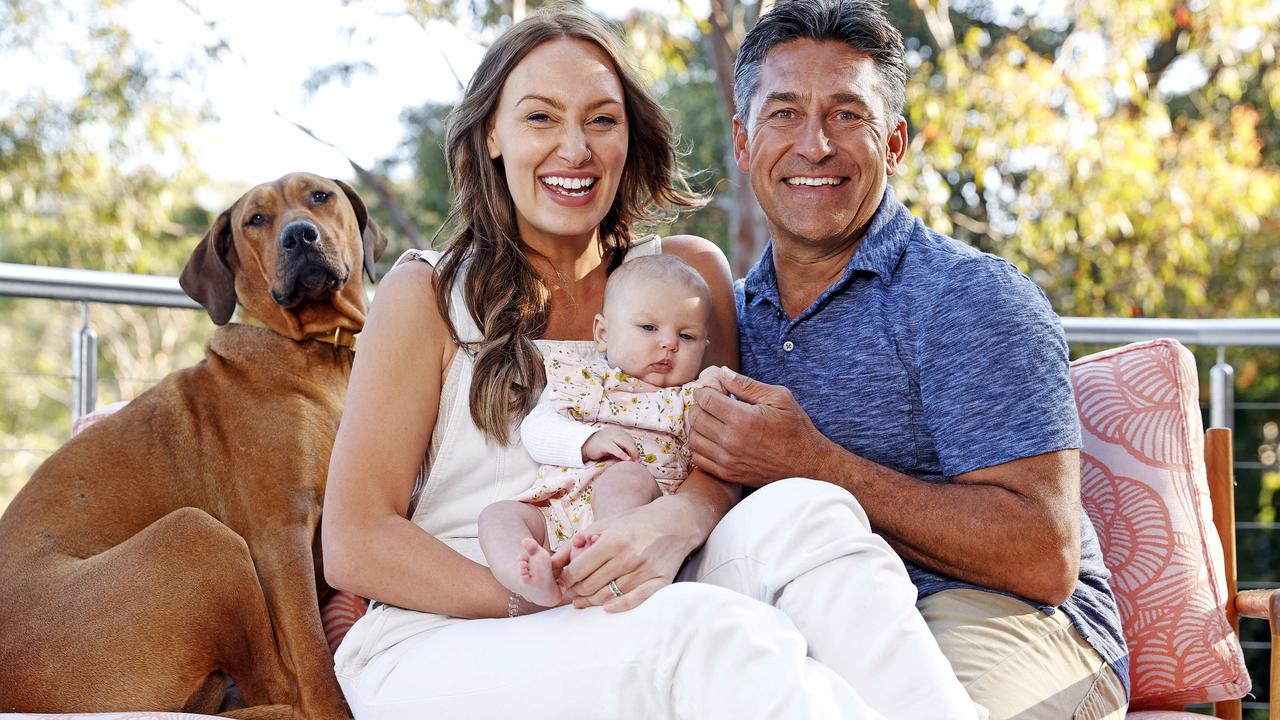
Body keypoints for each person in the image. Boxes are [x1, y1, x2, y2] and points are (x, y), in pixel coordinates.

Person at [322, 5, 979, 719]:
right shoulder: (426, 293)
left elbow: (717, 466)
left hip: (649, 582)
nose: (574, 149)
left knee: (808, 511)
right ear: (491, 135)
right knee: (701, 636)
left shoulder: (686, 277)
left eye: (601, 121)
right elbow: (355, 543)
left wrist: (670, 528)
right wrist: (536, 589)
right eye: (541, 118)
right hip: (446, 637)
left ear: (629, 139)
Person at [686, 1, 1128, 718]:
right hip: (800, 617)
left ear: (894, 142)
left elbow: (1044, 558)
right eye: (784, 114)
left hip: (1000, 619)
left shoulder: (968, 297)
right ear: (742, 141)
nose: (815, 145)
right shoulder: (722, 322)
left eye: (847, 115)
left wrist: (814, 464)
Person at [477, 255, 713, 608]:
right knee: (496, 516)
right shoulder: (583, 379)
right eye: (649, 328)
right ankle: (531, 579)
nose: (669, 344)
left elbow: (719, 454)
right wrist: (585, 441)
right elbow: (536, 429)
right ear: (603, 334)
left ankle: (605, 557)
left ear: (704, 346)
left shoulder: (690, 398)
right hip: (558, 510)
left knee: (626, 475)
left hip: (640, 514)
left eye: (687, 335)